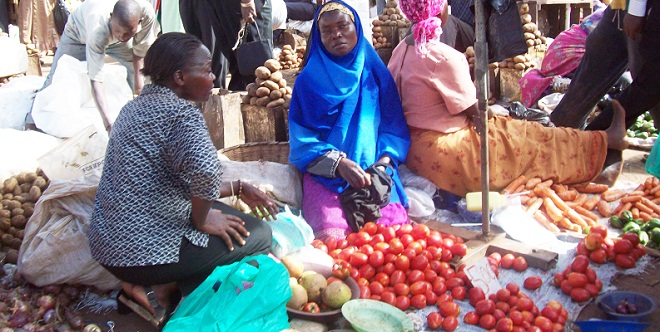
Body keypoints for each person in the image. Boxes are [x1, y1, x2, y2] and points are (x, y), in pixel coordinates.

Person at [88, 32, 278, 328]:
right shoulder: (181, 115)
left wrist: (238, 188)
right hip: (140, 254)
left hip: (106, 246)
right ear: (179, 76)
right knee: (259, 235)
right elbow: (205, 172)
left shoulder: (131, 108)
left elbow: (168, 183)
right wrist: (202, 221)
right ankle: (162, 292)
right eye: (205, 69)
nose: (214, 76)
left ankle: (146, 287)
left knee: (221, 215)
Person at [387, 0, 630, 197]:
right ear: (441, 11)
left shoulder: (400, 51)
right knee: (529, 138)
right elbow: (474, 110)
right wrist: (495, 113)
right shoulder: (443, 57)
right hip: (448, 154)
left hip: (414, 149)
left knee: (521, 132)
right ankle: (598, 156)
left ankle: (600, 146)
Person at [288, 0, 411, 240]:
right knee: (332, 235)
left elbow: (393, 124)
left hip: (373, 168)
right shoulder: (308, 81)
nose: (336, 34)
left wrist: (384, 164)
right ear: (318, 36)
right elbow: (301, 140)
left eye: (343, 26)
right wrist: (339, 164)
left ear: (356, 27)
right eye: (327, 30)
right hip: (327, 173)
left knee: (392, 233)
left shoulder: (373, 70)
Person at [26, 0, 160, 133]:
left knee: (143, 73)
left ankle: (146, 115)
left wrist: (139, 90)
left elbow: (139, 55)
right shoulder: (98, 30)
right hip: (77, 35)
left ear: (139, 22)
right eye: (119, 31)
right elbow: (96, 79)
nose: (123, 37)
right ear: (111, 16)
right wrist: (108, 125)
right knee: (55, 75)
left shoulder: (146, 14)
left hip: (115, 42)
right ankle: (31, 121)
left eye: (128, 33)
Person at [549, 1, 660, 131]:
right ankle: (561, 135)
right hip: (620, 8)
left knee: (647, 84)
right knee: (588, 77)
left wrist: (636, 10)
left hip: (644, 11)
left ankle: (596, 138)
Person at [520, 7, 607, 108]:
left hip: (558, 54)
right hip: (566, 55)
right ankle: (562, 84)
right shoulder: (611, 20)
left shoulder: (606, 14)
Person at [178, 0, 273, 90]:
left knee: (253, 64)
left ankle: (259, 99)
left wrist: (246, 3)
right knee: (236, 64)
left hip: (241, 7)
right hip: (220, 5)